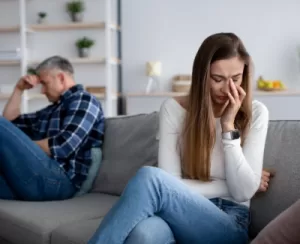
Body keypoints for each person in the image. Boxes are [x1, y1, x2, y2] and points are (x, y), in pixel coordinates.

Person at [87, 32, 271, 244]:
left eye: (236, 79)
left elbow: (242, 193)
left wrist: (228, 127)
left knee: (149, 178)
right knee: (143, 234)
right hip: (178, 211)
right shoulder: (173, 110)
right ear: (202, 75)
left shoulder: (256, 113)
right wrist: (237, 182)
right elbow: (170, 183)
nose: (227, 88)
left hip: (229, 221)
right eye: (217, 79)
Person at [0, 55, 104, 201]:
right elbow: (10, 122)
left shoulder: (84, 99)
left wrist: (18, 146)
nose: (42, 90)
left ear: (61, 78)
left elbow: (63, 145)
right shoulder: (50, 111)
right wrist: (19, 89)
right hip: (34, 178)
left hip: (59, 180)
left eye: (44, 83)